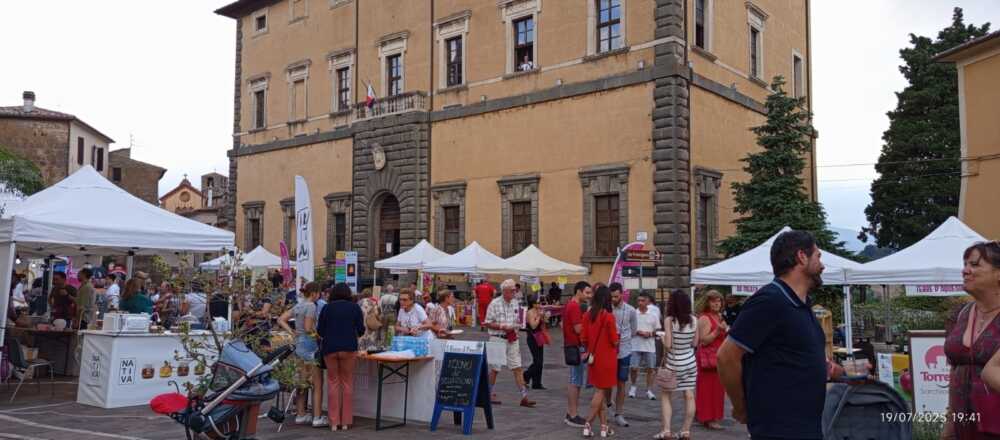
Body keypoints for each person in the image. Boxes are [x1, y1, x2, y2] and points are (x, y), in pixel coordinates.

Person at [717, 230, 852, 440]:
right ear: (801, 257)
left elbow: (799, 357)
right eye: (818, 256)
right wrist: (742, 406)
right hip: (779, 429)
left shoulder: (801, 304)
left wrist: (844, 373)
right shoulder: (770, 300)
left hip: (807, 426)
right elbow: (726, 357)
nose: (823, 265)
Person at [948, 241, 1000, 439]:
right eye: (965, 264)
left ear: (998, 274)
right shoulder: (961, 314)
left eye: (975, 265)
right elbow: (954, 370)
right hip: (964, 426)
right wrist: (950, 423)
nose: (965, 270)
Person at [277, 282, 327, 428]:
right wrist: (319, 337)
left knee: (302, 381)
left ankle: (300, 414)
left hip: (299, 345)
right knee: (317, 383)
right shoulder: (311, 306)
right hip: (310, 346)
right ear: (314, 293)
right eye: (319, 293)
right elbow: (308, 328)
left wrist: (292, 333)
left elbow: (281, 319)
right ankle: (317, 417)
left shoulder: (298, 305)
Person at [316, 283, 364, 431]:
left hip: (330, 348)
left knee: (333, 382)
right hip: (349, 347)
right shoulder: (355, 307)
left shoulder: (326, 308)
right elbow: (361, 330)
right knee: (347, 382)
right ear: (348, 294)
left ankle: (334, 422)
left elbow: (320, 331)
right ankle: (345, 422)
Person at [655, 290, 700, 440]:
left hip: (674, 363)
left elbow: (668, 345)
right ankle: (686, 431)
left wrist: (662, 338)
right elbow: (695, 343)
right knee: (689, 395)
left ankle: (666, 431)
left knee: (666, 395)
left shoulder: (669, 320)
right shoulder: (695, 320)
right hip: (690, 362)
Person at [484, 279, 535, 407]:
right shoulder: (494, 303)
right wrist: (502, 326)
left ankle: (524, 397)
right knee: (495, 369)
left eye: (515, 290)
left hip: (512, 338)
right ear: (505, 291)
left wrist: (518, 325)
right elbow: (487, 322)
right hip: (497, 338)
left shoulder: (515, 303)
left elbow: (518, 319)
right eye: (512, 290)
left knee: (517, 367)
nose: (514, 292)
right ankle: (488, 394)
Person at [579, 284, 619, 437]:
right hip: (607, 358)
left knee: (599, 391)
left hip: (593, 358)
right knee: (601, 392)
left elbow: (582, 338)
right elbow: (614, 340)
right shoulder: (609, 317)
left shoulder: (588, 316)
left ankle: (604, 427)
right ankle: (588, 423)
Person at [695, 289, 728, 430]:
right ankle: (708, 418)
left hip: (718, 357)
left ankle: (706, 416)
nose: (717, 303)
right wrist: (718, 331)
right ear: (707, 303)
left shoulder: (719, 316)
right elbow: (703, 341)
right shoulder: (704, 318)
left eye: (719, 300)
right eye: (713, 300)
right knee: (708, 389)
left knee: (717, 389)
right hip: (708, 358)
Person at [563, 280, 592, 427]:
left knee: (575, 380)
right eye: (587, 292)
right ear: (579, 291)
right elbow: (578, 329)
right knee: (575, 381)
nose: (589, 295)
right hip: (576, 347)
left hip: (573, 346)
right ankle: (572, 415)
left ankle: (571, 412)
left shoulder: (571, 305)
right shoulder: (574, 307)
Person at [609, 282, 638, 427]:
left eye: (616, 296)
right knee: (608, 382)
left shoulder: (631, 310)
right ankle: (608, 404)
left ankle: (619, 413)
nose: (614, 299)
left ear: (621, 294)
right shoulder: (607, 309)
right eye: (611, 297)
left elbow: (633, 330)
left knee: (622, 382)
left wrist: (624, 339)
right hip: (609, 351)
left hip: (625, 350)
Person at [629, 293, 662, 401]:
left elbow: (658, 330)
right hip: (635, 345)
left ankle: (649, 389)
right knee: (634, 368)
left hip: (649, 346)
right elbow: (629, 328)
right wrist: (637, 332)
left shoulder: (653, 315)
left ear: (647, 301)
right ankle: (633, 386)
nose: (640, 303)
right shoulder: (633, 313)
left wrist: (650, 334)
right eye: (638, 301)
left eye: (642, 300)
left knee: (651, 369)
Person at [523, 294, 549, 390]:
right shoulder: (530, 312)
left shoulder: (538, 311)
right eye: (538, 302)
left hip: (539, 336)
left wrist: (545, 317)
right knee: (537, 361)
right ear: (533, 304)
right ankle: (526, 375)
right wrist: (539, 316)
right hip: (532, 337)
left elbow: (545, 322)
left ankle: (537, 383)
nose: (540, 304)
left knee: (540, 361)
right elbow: (533, 325)